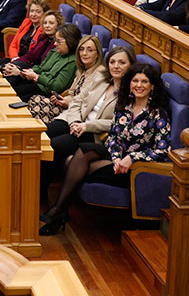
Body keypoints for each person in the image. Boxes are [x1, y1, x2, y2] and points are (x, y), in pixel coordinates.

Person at [40, 62, 170, 235]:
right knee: (84, 151)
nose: (139, 85)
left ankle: (58, 210)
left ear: (152, 86)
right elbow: (114, 137)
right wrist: (116, 157)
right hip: (115, 158)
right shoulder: (124, 106)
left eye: (144, 82)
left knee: (73, 162)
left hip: (134, 168)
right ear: (129, 84)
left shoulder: (158, 114)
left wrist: (131, 158)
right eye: (135, 81)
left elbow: (162, 150)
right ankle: (59, 211)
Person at [44, 44, 131, 182]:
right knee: (42, 135)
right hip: (75, 120)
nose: (116, 66)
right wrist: (75, 121)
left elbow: (118, 122)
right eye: (112, 62)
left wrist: (86, 126)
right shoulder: (101, 79)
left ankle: (41, 188)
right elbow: (77, 100)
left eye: (122, 63)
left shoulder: (130, 91)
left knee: (52, 146)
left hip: (93, 133)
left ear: (130, 65)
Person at [33, 35, 108, 126]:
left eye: (90, 50)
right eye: (81, 49)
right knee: (35, 100)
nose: (84, 53)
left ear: (98, 54)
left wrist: (69, 103)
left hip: (77, 115)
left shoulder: (99, 74)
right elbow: (72, 93)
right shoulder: (82, 70)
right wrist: (62, 99)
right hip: (68, 107)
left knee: (38, 105)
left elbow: (88, 103)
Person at [9, 23, 81, 102]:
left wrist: (37, 77)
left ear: (71, 42)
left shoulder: (72, 62)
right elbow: (40, 68)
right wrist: (23, 72)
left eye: (59, 41)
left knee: (12, 98)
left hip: (46, 94)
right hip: (37, 84)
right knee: (10, 87)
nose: (55, 44)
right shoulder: (55, 52)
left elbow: (57, 87)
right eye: (55, 40)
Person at [2, 10, 62, 78]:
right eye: (45, 23)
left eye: (51, 23)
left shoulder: (58, 44)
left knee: (11, 75)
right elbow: (29, 56)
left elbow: (45, 68)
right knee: (7, 68)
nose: (47, 26)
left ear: (58, 25)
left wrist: (21, 72)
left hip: (38, 75)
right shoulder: (43, 38)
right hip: (31, 68)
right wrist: (12, 64)